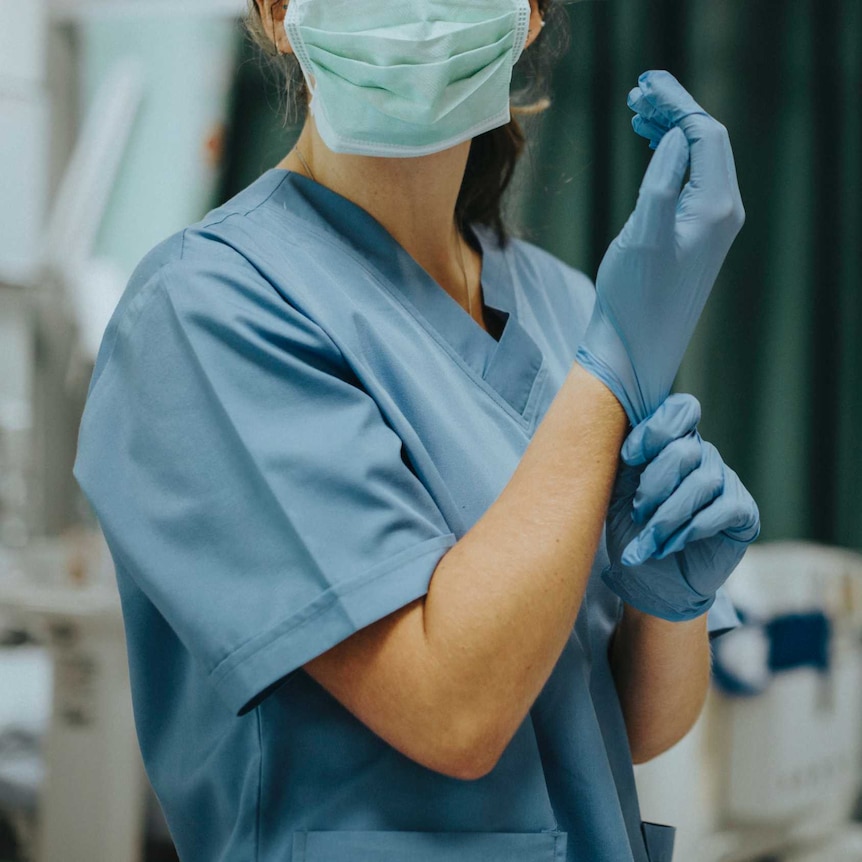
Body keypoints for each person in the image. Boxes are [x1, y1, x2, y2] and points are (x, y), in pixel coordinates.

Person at [73, 1, 760, 860]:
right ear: (281, 14)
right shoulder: (203, 310)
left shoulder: (568, 308)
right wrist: (612, 369)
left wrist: (672, 603)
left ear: (532, 15)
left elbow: (636, 725)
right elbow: (455, 710)